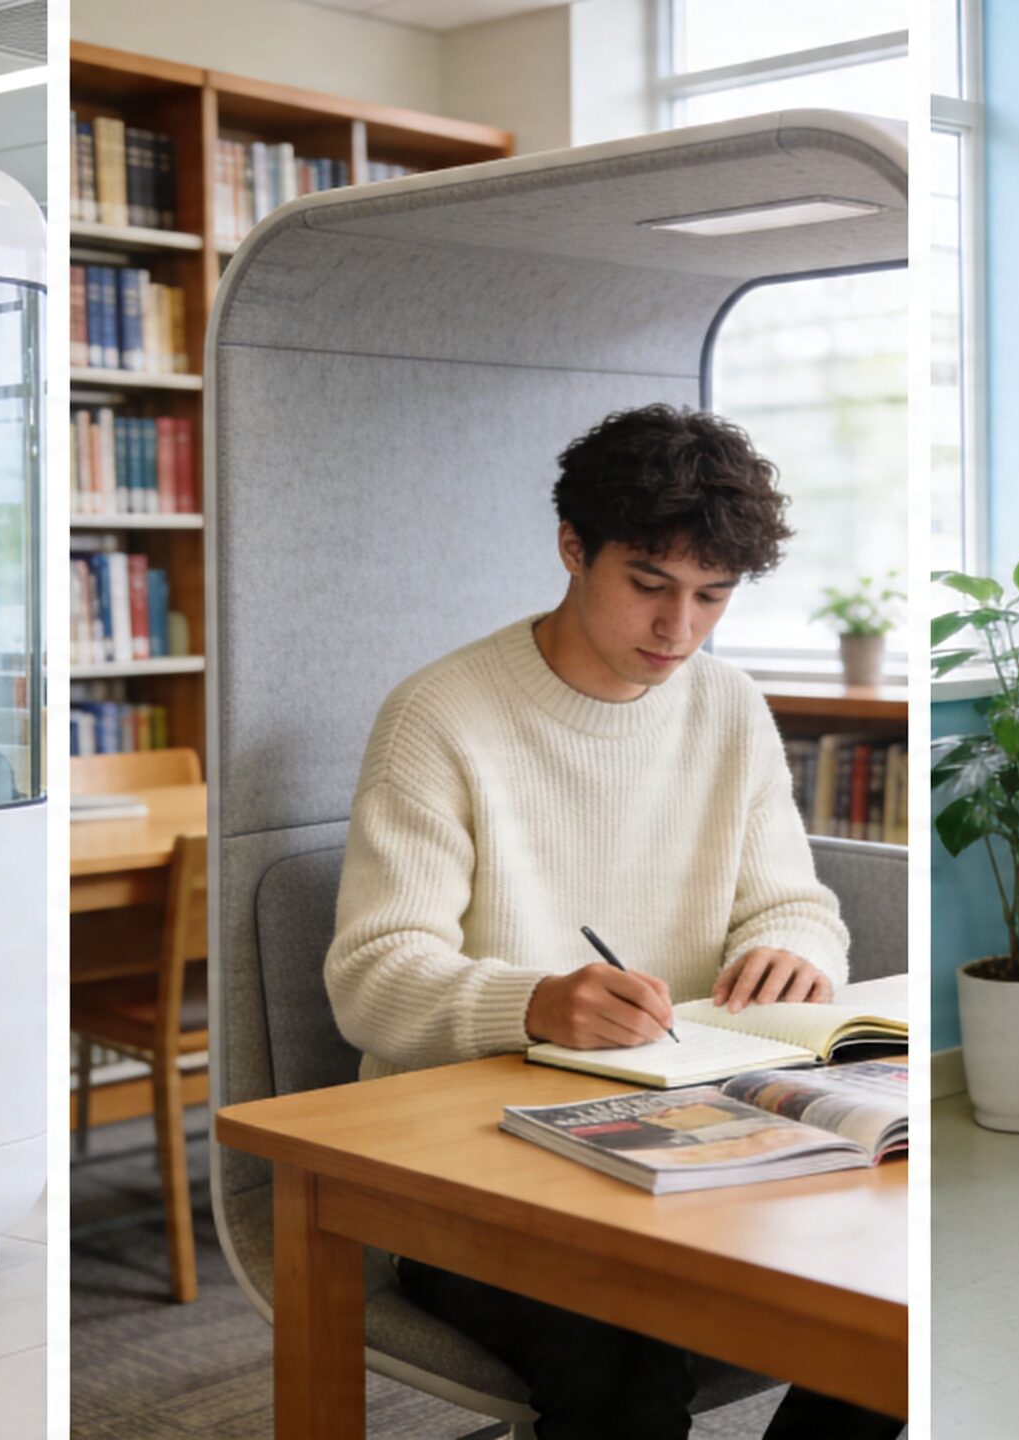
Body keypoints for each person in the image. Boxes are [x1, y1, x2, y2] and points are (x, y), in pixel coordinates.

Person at [326, 404, 904, 1439]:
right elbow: (372, 976)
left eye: (711, 598)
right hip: (475, 1170)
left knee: (897, 1312)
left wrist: (793, 947)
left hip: (700, 1137)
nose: (677, 630)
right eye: (648, 586)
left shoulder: (727, 706)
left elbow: (791, 900)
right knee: (627, 1377)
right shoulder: (441, 715)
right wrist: (535, 1002)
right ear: (571, 548)